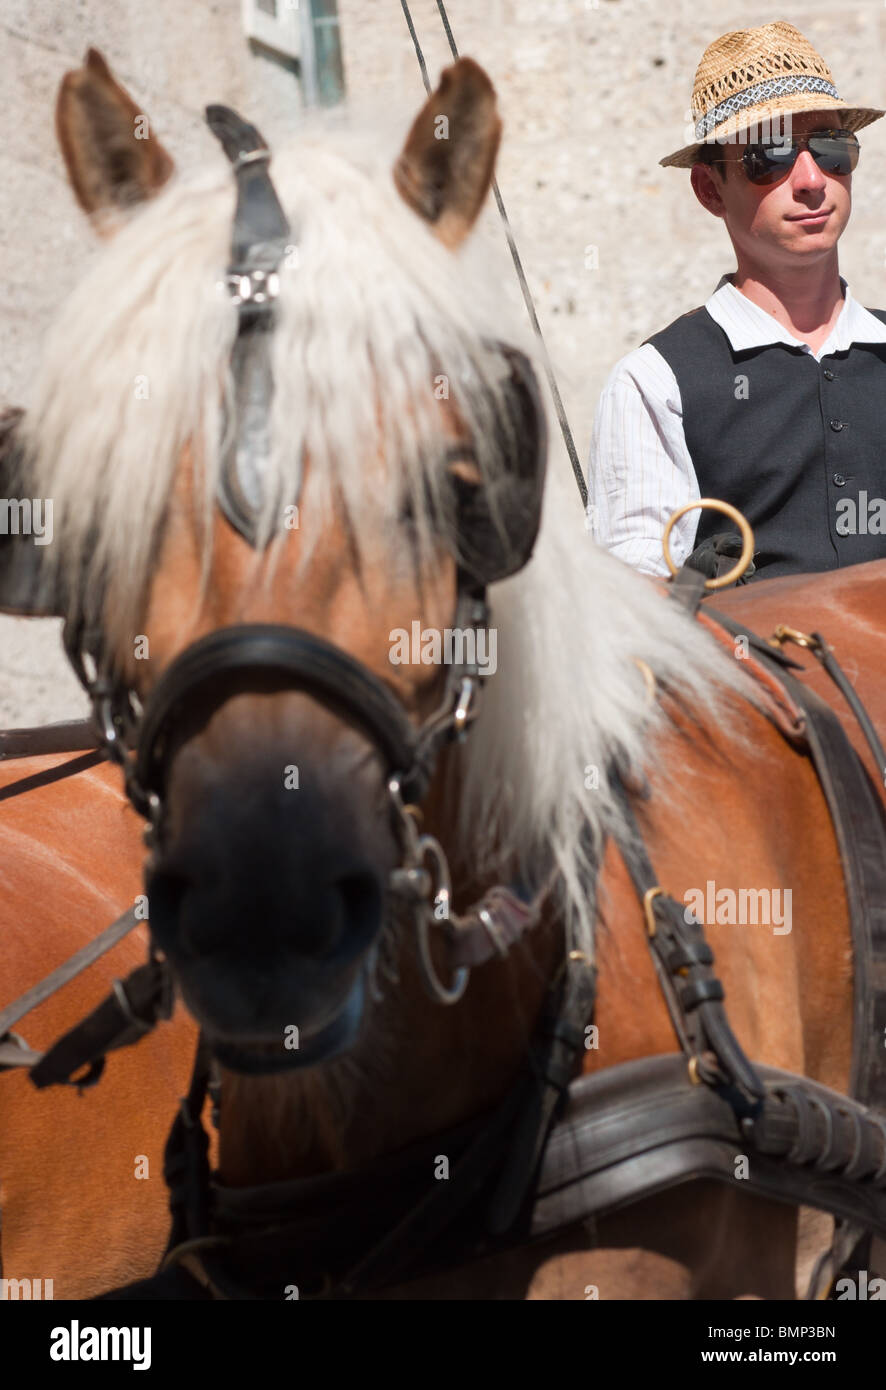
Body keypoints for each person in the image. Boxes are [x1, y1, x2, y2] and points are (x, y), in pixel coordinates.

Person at [587, 21, 886, 582]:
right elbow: (640, 612)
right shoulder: (654, 382)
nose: (810, 178)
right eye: (768, 154)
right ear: (709, 189)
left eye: (830, 147)